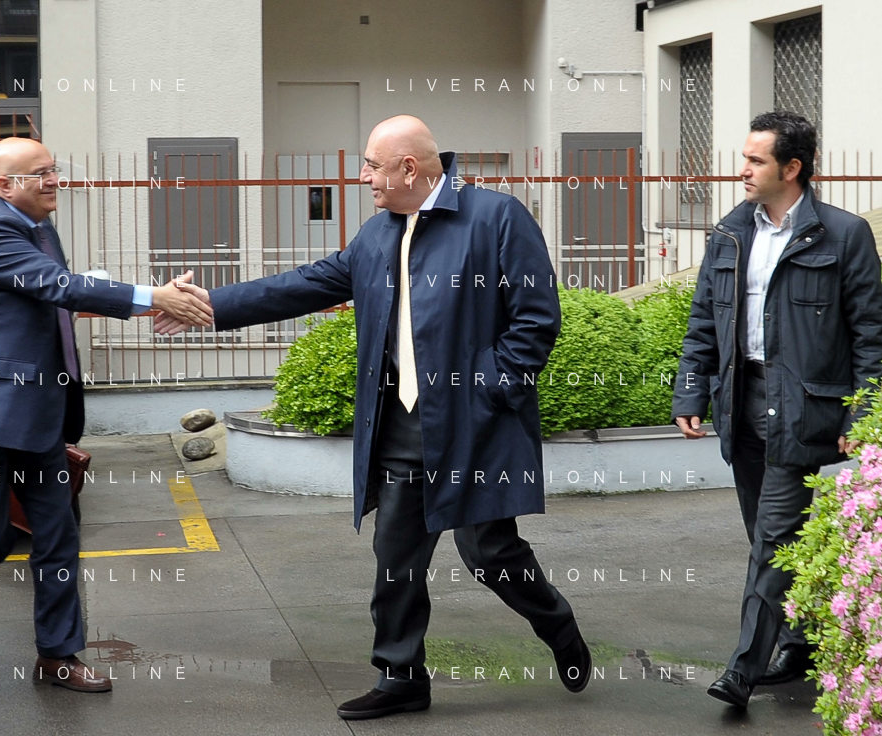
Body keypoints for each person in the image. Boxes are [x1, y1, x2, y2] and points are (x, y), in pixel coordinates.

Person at [157, 115, 590, 720]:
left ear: (408, 168)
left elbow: (536, 319)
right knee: (396, 555)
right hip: (403, 425)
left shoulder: (496, 217)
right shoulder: (378, 233)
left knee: (490, 555)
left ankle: (558, 624)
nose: (363, 177)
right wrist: (208, 306)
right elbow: (306, 283)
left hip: (476, 425)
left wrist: (489, 390)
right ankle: (400, 675)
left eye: (371, 165)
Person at [0, 136, 212, 692]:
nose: (54, 181)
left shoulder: (39, 225)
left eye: (54, 169)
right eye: (40, 174)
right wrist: (153, 297)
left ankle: (58, 657)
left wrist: (154, 300)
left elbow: (58, 296)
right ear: (5, 185)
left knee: (57, 536)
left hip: (34, 408)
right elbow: (59, 286)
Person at [672, 111, 882, 708]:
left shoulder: (843, 235)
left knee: (772, 537)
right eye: (745, 157)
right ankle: (800, 641)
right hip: (742, 399)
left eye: (755, 159)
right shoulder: (730, 231)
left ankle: (743, 670)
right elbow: (703, 320)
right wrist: (691, 390)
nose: (742, 169)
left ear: (791, 168)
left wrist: (864, 414)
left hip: (802, 405)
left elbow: (870, 334)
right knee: (770, 537)